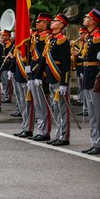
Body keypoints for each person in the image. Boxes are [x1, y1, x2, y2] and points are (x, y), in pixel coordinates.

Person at [35, 13, 71, 146]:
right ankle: (58, 134)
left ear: (61, 25)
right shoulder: (51, 40)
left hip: (58, 77)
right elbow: (44, 60)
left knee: (62, 109)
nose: (53, 22)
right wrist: (38, 75)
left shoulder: (63, 41)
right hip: (50, 78)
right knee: (55, 108)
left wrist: (64, 82)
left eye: (55, 21)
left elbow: (66, 64)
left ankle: (64, 136)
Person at [27, 13, 52, 141]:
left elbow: (43, 58)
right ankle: (41, 129)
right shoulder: (36, 36)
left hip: (41, 74)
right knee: (37, 104)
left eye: (39, 21)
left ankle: (45, 131)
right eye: (36, 21)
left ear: (46, 23)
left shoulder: (47, 37)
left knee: (43, 104)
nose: (36, 23)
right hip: (34, 73)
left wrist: (36, 72)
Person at [80, 8, 100, 155]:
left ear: (93, 20)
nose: (85, 19)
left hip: (95, 76)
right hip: (87, 75)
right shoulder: (89, 37)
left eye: (87, 17)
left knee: (98, 113)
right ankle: (95, 142)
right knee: (92, 114)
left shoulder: (98, 36)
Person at [0, 30, 13, 103]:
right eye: (2, 35)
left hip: (7, 65)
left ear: (8, 36)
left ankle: (8, 96)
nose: (2, 36)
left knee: (7, 82)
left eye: (4, 35)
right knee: (4, 82)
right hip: (2, 65)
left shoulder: (10, 44)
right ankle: (5, 95)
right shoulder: (2, 44)